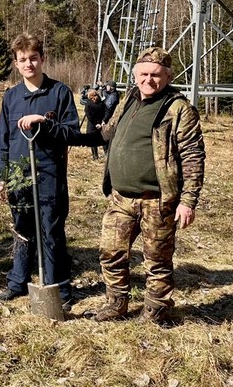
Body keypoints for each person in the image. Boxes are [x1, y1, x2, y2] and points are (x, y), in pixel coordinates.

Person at [85, 46, 205, 324]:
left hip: (158, 201)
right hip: (120, 198)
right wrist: (61, 135)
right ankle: (116, 304)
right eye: (143, 74)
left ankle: (155, 311)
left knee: (157, 261)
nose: (148, 80)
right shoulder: (128, 100)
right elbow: (106, 134)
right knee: (110, 252)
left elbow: (193, 156)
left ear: (167, 76)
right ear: (135, 74)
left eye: (155, 75)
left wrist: (188, 201)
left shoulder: (178, 109)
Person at [0, 33, 80, 308]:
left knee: (51, 231)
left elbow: (72, 133)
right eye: (23, 60)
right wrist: (3, 176)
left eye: (33, 58)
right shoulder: (11, 97)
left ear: (42, 59)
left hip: (50, 175)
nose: (28, 64)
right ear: (16, 64)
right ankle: (17, 282)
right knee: (22, 229)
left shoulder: (59, 93)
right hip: (19, 177)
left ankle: (59, 290)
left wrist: (45, 122)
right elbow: (3, 140)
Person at [82, 88, 105, 160]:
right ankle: (100, 154)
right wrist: (100, 122)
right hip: (100, 123)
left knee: (92, 140)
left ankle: (95, 156)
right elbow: (103, 112)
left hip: (92, 124)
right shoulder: (101, 103)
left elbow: (89, 116)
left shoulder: (88, 104)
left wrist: (95, 123)